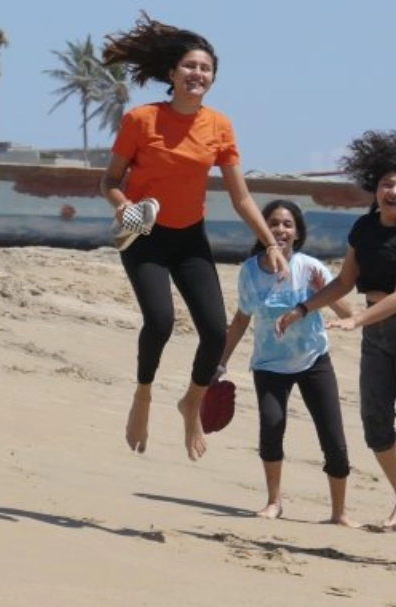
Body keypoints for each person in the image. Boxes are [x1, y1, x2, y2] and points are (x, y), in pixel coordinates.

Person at [99, 14, 287, 462]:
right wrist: (123, 205)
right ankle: (143, 394)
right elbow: (108, 181)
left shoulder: (219, 127)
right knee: (160, 322)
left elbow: (241, 198)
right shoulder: (141, 120)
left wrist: (272, 244)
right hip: (143, 235)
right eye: (189, 66)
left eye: (205, 69)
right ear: (171, 74)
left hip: (189, 239)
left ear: (212, 78)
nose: (197, 74)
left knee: (213, 333)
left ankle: (191, 402)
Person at [277, 130, 396, 531]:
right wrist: (303, 307)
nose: (394, 191)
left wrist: (357, 319)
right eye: (387, 185)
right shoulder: (363, 229)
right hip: (377, 334)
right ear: (376, 189)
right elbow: (344, 282)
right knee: (375, 425)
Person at [219, 200, 360, 527]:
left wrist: (319, 292)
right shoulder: (251, 271)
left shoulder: (311, 267)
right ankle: (273, 502)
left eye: (287, 224)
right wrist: (221, 363)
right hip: (269, 364)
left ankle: (339, 512)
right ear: (262, 229)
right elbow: (241, 320)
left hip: (313, 361)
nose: (280, 230)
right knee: (271, 427)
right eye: (273, 223)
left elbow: (346, 312)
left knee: (333, 437)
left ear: (297, 232)